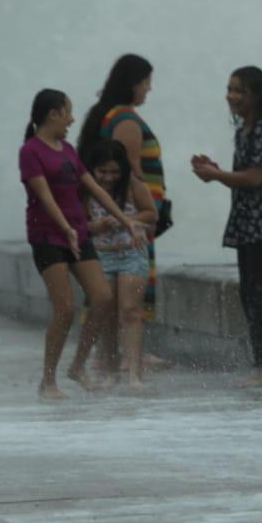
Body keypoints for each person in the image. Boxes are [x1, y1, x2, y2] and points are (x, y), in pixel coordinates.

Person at [21, 89, 142, 399]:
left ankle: (77, 366)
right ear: (53, 114)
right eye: (68, 112)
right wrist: (65, 228)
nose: (72, 119)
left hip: (77, 234)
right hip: (48, 237)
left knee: (102, 297)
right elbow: (44, 196)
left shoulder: (68, 149)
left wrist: (127, 221)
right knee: (65, 308)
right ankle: (48, 381)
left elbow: (96, 190)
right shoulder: (31, 151)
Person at [191, 66, 262, 389]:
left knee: (260, 294)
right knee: (249, 293)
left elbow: (255, 178)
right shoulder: (245, 131)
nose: (232, 97)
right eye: (230, 89)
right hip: (250, 223)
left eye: (240, 91)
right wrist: (217, 171)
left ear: (257, 95)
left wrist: (216, 176)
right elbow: (247, 177)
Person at [77, 54, 167, 368]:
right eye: (146, 82)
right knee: (128, 294)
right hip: (130, 222)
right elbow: (129, 173)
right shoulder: (126, 119)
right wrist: (142, 214)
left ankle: (109, 355)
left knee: (111, 293)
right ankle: (127, 356)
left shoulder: (106, 115)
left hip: (115, 220)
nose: (149, 90)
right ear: (133, 83)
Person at [81, 141, 158, 392]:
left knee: (131, 311)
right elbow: (79, 224)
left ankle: (135, 375)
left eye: (115, 172)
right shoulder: (85, 189)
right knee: (106, 315)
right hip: (100, 256)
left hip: (132, 253)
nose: (109, 178)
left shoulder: (133, 184)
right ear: (93, 169)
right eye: (103, 172)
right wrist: (98, 226)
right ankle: (111, 371)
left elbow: (151, 213)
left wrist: (124, 220)